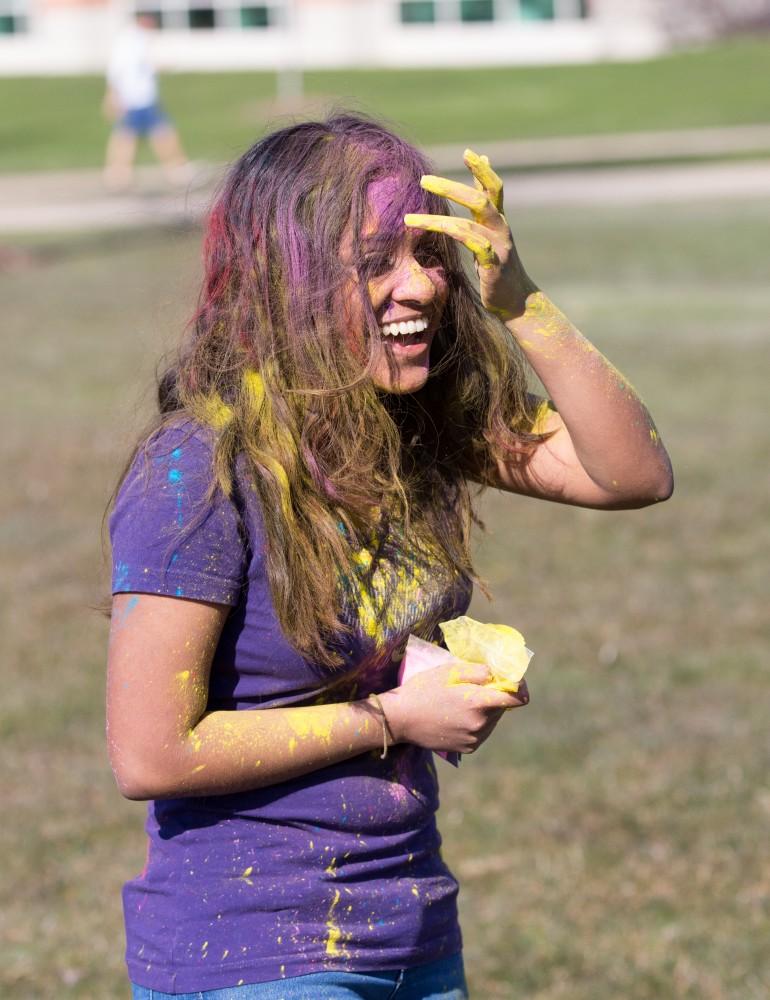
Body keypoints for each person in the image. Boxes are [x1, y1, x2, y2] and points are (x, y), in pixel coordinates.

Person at [106, 113, 673, 999]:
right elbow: (152, 754)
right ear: (284, 283)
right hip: (252, 952)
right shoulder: (199, 470)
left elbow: (633, 473)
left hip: (409, 932)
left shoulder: (419, 427)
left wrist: (517, 296)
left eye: (428, 256)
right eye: (375, 262)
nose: (422, 288)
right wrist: (394, 719)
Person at [102, 13, 190, 191]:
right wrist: (113, 96)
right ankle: (120, 173)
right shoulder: (130, 40)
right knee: (138, 135)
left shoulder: (138, 39)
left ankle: (120, 174)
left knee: (152, 133)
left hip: (143, 97)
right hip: (135, 98)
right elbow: (117, 70)